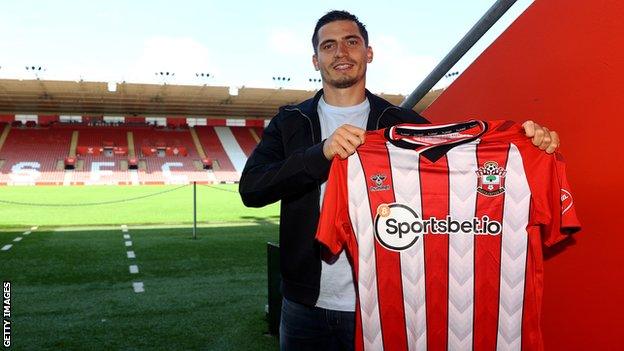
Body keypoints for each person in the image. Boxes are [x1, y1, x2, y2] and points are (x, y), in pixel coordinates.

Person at [239, 10, 559, 351]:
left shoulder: (402, 122)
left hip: (385, 304)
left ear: (369, 52)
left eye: (351, 42)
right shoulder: (291, 121)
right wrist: (320, 154)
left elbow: (464, 159)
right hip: (305, 304)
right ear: (316, 60)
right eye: (329, 45)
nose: (341, 52)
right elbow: (253, 189)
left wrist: (525, 141)